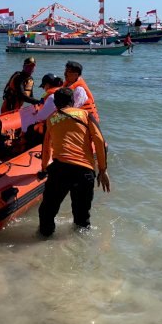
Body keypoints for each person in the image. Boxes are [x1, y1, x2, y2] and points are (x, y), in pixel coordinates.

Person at [37, 87, 110, 236]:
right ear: (73, 102)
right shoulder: (85, 115)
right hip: (84, 171)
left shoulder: (51, 120)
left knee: (47, 212)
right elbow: (99, 141)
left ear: (56, 104)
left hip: (59, 171)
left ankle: (43, 242)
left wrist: (44, 169)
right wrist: (103, 170)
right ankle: (81, 253)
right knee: (82, 219)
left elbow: (46, 149)